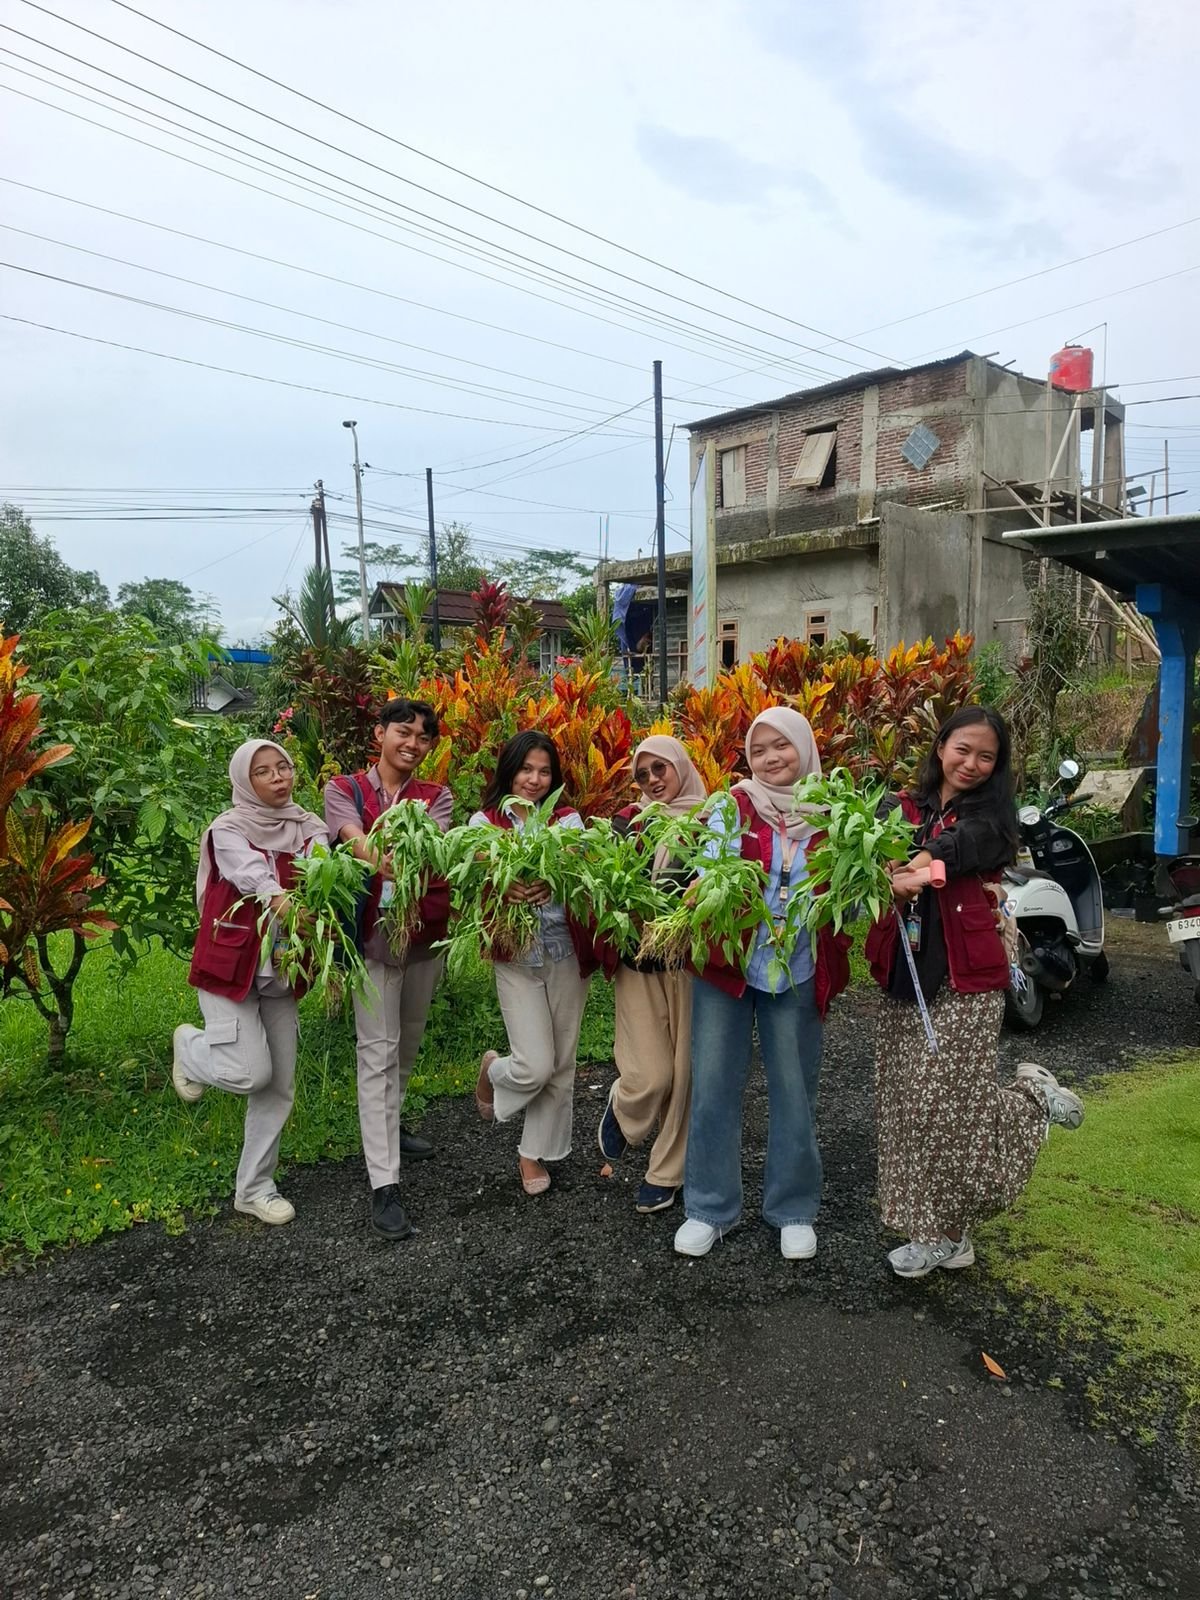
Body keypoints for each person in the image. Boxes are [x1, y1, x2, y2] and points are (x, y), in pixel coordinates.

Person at [864, 704, 1085, 1280]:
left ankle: (949, 1228)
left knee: (946, 1108)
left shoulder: (994, 818)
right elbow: (870, 856)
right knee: (907, 1109)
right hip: (905, 977)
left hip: (966, 984)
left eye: (986, 756)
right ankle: (938, 1232)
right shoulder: (899, 808)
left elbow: (963, 846)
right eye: (963, 749)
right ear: (941, 747)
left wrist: (922, 864)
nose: (972, 764)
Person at [674, 707, 851, 1261]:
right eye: (760, 749)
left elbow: (847, 889)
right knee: (713, 1085)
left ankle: (793, 1209)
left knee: (796, 1090)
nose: (772, 758)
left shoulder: (834, 814)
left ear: (804, 748)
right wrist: (706, 891)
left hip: (796, 969)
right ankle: (709, 1207)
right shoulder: (733, 806)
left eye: (783, 746)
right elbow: (709, 872)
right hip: (729, 968)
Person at [172, 739, 327, 1224]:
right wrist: (290, 905)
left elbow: (323, 874)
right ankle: (191, 1050)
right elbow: (253, 878)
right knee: (249, 1073)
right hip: (230, 966)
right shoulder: (229, 828)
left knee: (277, 1086)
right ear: (245, 781)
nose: (279, 777)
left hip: (283, 969)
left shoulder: (309, 826)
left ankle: (254, 1188)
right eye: (264, 771)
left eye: (283, 767)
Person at [324, 699, 451, 1242]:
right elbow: (356, 841)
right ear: (380, 734)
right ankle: (385, 1183)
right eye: (404, 731)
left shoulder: (437, 796)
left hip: (421, 936)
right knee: (376, 1051)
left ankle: (390, 1127)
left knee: (406, 1044)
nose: (414, 744)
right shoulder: (343, 789)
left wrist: (393, 855)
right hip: (370, 939)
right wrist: (387, 853)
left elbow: (433, 854)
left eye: (424, 737)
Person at [471, 731, 597, 1197]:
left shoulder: (567, 819)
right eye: (526, 770)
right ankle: (493, 1070)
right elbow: (472, 875)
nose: (535, 780)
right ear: (510, 771)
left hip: (564, 949)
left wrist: (558, 882)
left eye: (544, 772)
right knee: (534, 1064)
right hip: (515, 954)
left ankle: (532, 1152)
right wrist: (501, 885)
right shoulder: (485, 821)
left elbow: (584, 875)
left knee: (561, 1063)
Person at [596, 735, 707, 1215]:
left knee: (685, 1075)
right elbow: (610, 884)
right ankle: (625, 1109)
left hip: (689, 965)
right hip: (637, 961)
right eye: (643, 775)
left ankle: (666, 1172)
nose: (653, 781)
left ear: (681, 766)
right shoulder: (628, 822)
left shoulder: (713, 821)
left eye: (661, 768)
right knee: (650, 1072)